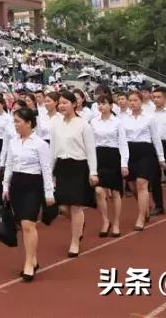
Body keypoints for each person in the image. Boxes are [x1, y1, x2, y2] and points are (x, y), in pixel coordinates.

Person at [1, 107, 54, 281]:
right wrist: (5, 187)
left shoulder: (40, 144)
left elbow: (46, 169)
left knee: (28, 224)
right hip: (17, 184)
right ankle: (33, 258)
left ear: (29, 123)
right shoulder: (13, 142)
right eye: (14, 121)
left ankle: (28, 263)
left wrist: (49, 192)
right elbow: (9, 165)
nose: (15, 125)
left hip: (33, 185)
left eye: (18, 121)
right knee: (22, 225)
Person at [50, 90, 98, 257]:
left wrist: (93, 172)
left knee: (76, 206)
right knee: (63, 207)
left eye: (65, 103)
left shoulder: (83, 125)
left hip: (79, 166)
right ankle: (79, 226)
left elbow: (91, 151)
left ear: (74, 104)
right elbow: (53, 149)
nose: (62, 106)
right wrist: (50, 172)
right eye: (60, 103)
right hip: (62, 166)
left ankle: (75, 242)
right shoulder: (56, 124)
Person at [120, 90, 166, 231]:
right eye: (130, 100)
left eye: (135, 100)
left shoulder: (149, 118)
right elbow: (120, 140)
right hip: (129, 151)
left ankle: (140, 217)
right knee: (133, 186)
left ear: (141, 102)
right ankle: (144, 206)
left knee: (142, 183)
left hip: (146, 151)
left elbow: (156, 138)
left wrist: (161, 158)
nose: (132, 103)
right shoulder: (123, 118)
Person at [91, 94, 129, 237]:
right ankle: (105, 221)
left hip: (114, 157)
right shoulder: (94, 122)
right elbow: (91, 142)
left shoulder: (117, 122)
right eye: (99, 103)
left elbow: (123, 144)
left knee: (115, 192)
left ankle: (116, 222)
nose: (101, 106)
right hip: (98, 156)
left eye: (104, 103)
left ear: (111, 106)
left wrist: (124, 164)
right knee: (99, 191)